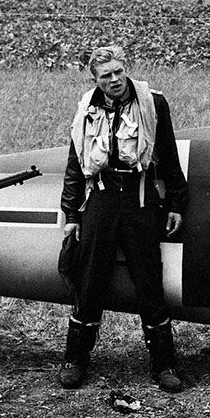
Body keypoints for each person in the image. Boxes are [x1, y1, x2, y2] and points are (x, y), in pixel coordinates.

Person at [59, 45, 189, 393]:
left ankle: (164, 364)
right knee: (89, 279)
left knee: (149, 280)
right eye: (106, 76)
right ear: (95, 79)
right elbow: (76, 161)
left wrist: (176, 203)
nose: (115, 80)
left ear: (125, 68)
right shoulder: (87, 106)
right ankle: (75, 360)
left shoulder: (152, 103)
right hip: (100, 197)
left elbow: (169, 154)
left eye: (118, 72)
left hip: (139, 198)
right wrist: (71, 213)